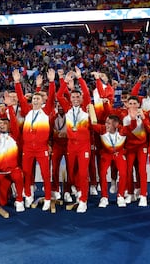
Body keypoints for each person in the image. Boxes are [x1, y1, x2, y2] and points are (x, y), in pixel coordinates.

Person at [13, 68, 56, 211]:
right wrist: (17, 82)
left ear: (42, 101)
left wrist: (51, 82)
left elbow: (51, 97)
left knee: (45, 174)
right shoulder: (27, 111)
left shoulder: (46, 110)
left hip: (41, 148)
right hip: (27, 148)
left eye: (39, 98)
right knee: (26, 173)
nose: (36, 100)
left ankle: (48, 198)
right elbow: (20, 97)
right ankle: (28, 194)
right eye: (34, 98)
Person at [57, 67, 92, 213]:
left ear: (82, 99)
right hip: (71, 145)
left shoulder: (86, 107)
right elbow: (59, 95)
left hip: (84, 145)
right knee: (72, 171)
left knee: (83, 172)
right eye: (73, 97)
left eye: (78, 97)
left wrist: (80, 78)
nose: (76, 99)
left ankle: (83, 199)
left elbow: (87, 94)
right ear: (70, 99)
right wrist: (64, 82)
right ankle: (77, 189)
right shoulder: (67, 108)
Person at [92, 114, 130, 208]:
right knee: (103, 173)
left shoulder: (122, 130)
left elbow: (132, 127)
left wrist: (133, 117)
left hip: (119, 153)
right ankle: (104, 197)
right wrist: (89, 110)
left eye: (109, 123)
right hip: (106, 154)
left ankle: (120, 196)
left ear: (116, 124)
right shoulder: (102, 129)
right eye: (106, 122)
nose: (106, 125)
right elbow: (92, 124)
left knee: (123, 173)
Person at [122, 95, 150, 207]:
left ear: (139, 105)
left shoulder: (144, 115)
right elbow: (127, 134)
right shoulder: (125, 119)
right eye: (130, 104)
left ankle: (143, 195)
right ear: (127, 105)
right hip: (130, 148)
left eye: (135, 103)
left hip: (142, 147)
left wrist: (144, 119)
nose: (133, 106)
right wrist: (134, 120)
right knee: (128, 171)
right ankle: (130, 193)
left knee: (141, 170)